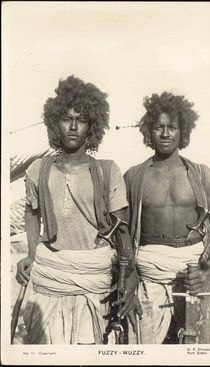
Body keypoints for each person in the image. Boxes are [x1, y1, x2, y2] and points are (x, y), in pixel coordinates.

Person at [15, 75, 138, 344]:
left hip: (92, 281)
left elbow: (123, 231)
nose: (72, 127)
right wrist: (32, 254)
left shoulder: (108, 170)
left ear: (92, 126)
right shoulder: (38, 169)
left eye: (81, 120)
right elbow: (32, 213)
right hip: (51, 279)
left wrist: (130, 279)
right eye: (66, 119)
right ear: (54, 123)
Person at [124, 92, 210, 344]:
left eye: (172, 127)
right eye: (159, 127)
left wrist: (206, 270)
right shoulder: (134, 177)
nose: (166, 133)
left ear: (183, 131)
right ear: (149, 131)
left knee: (198, 349)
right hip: (149, 276)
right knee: (144, 353)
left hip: (194, 274)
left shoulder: (201, 175)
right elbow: (122, 235)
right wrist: (127, 278)